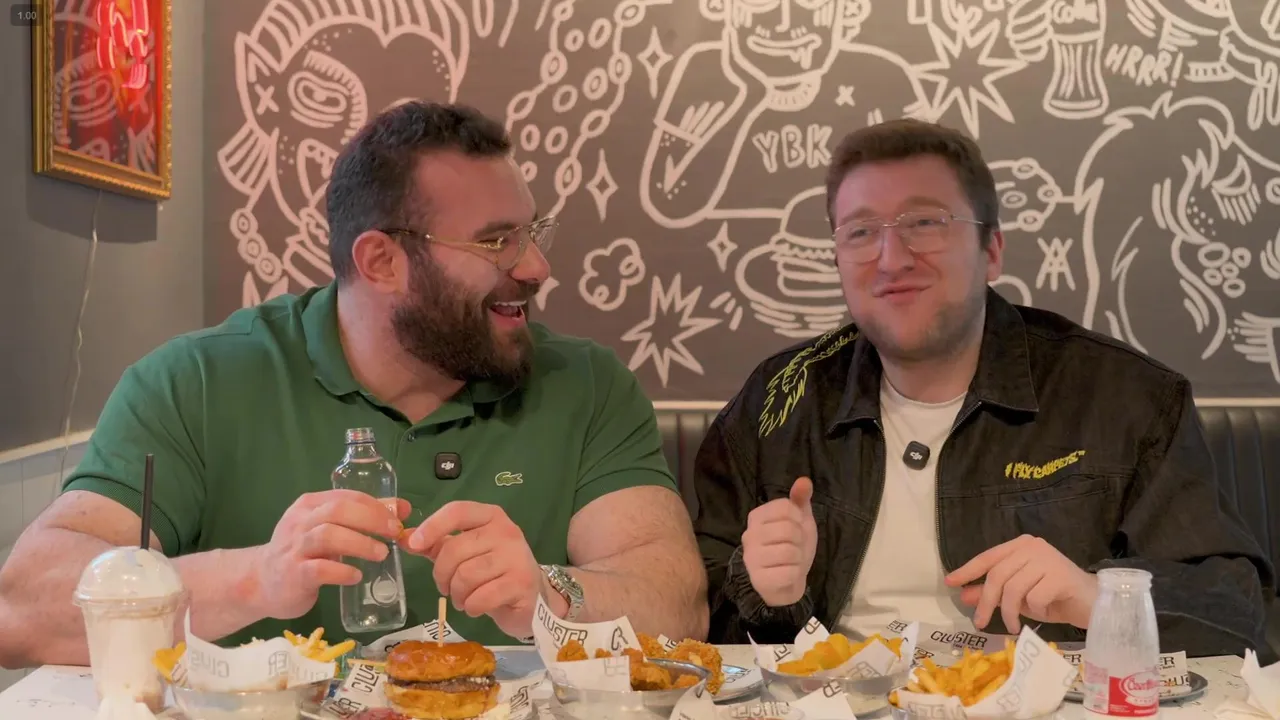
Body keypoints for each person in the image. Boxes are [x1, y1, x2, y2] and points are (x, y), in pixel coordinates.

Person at [0, 102, 708, 667]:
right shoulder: (195, 383)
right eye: (497, 241)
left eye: (532, 232)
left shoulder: (585, 384)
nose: (535, 267)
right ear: (381, 262)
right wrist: (257, 577)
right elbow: (23, 608)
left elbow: (678, 602)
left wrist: (551, 595)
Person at [692, 118, 1276, 657]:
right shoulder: (777, 402)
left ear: (991, 250)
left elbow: (1235, 611)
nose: (891, 259)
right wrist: (764, 594)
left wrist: (1095, 597)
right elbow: (693, 622)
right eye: (861, 231)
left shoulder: (1126, 397)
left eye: (925, 223)